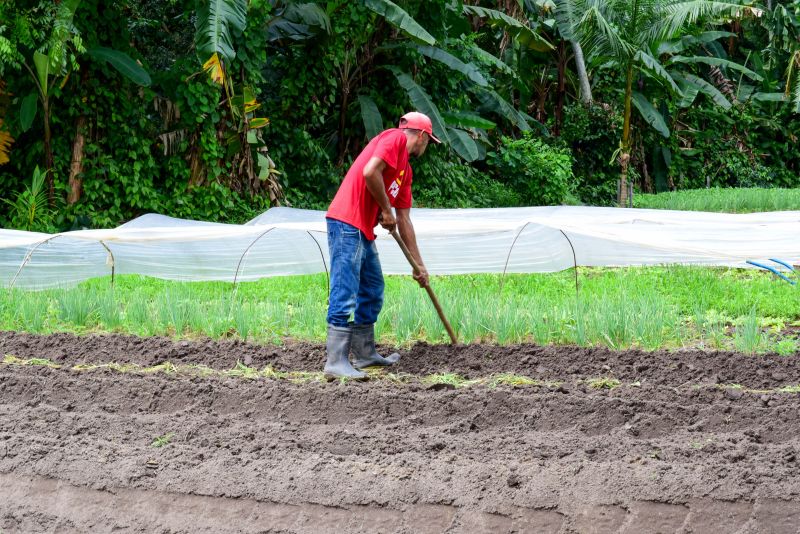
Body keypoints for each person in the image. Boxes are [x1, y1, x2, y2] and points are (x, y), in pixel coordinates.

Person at [323, 111, 440, 379]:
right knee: (346, 289)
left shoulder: (405, 171)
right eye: (428, 141)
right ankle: (335, 361)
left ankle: (364, 355)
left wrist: (419, 265)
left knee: (373, 288)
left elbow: (404, 220)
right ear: (421, 136)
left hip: (363, 230)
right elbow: (369, 171)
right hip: (346, 222)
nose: (427, 147)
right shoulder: (394, 138)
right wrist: (385, 210)